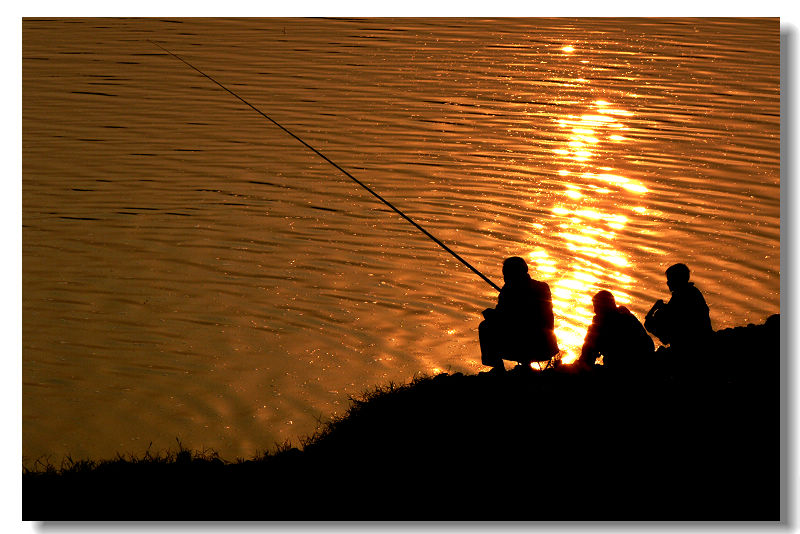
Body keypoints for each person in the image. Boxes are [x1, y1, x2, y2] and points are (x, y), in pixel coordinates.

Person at [479, 257, 559, 373]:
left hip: (524, 346)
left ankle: (499, 369)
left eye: (505, 274)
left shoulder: (509, 290)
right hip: (547, 346)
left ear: (511, 274)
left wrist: (490, 314)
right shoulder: (543, 287)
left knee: (485, 326)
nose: (504, 277)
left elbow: (506, 318)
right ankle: (525, 366)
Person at [644, 263, 712, 354]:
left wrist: (653, 309)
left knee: (650, 321)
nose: (667, 283)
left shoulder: (680, 298)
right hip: (704, 340)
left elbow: (675, 314)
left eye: (669, 280)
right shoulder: (694, 292)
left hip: (686, 346)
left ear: (677, 281)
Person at [578, 290, 654, 371]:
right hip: (646, 364)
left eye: (597, 307)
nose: (595, 311)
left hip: (619, 369)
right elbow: (649, 345)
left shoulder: (600, 327)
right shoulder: (627, 316)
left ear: (604, 308)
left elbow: (587, 357)